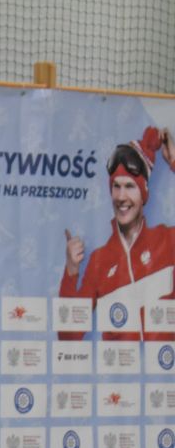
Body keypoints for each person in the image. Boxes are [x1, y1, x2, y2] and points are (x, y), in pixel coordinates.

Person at [60, 125, 175, 340]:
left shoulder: (168, 241)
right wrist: (71, 271)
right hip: (118, 363)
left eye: (130, 186)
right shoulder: (98, 261)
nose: (121, 197)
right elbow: (69, 336)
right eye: (116, 186)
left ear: (144, 194)